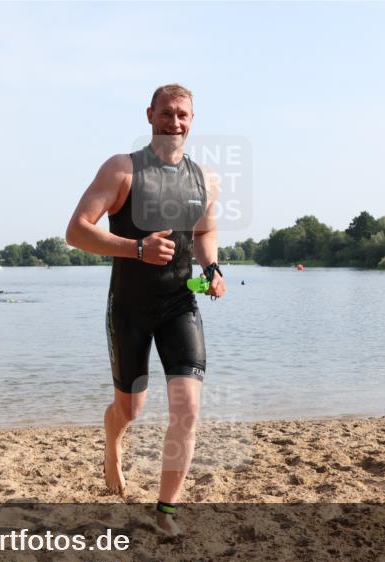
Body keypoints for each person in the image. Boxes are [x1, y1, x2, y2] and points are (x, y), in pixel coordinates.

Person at [66, 83, 225, 535]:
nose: (175, 122)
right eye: (167, 113)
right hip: (130, 307)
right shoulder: (122, 169)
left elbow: (202, 234)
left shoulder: (207, 179)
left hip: (180, 302)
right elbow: (76, 231)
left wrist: (212, 268)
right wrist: (136, 248)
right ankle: (112, 442)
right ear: (150, 115)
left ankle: (166, 511)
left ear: (192, 121)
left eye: (183, 115)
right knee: (130, 410)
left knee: (188, 409)